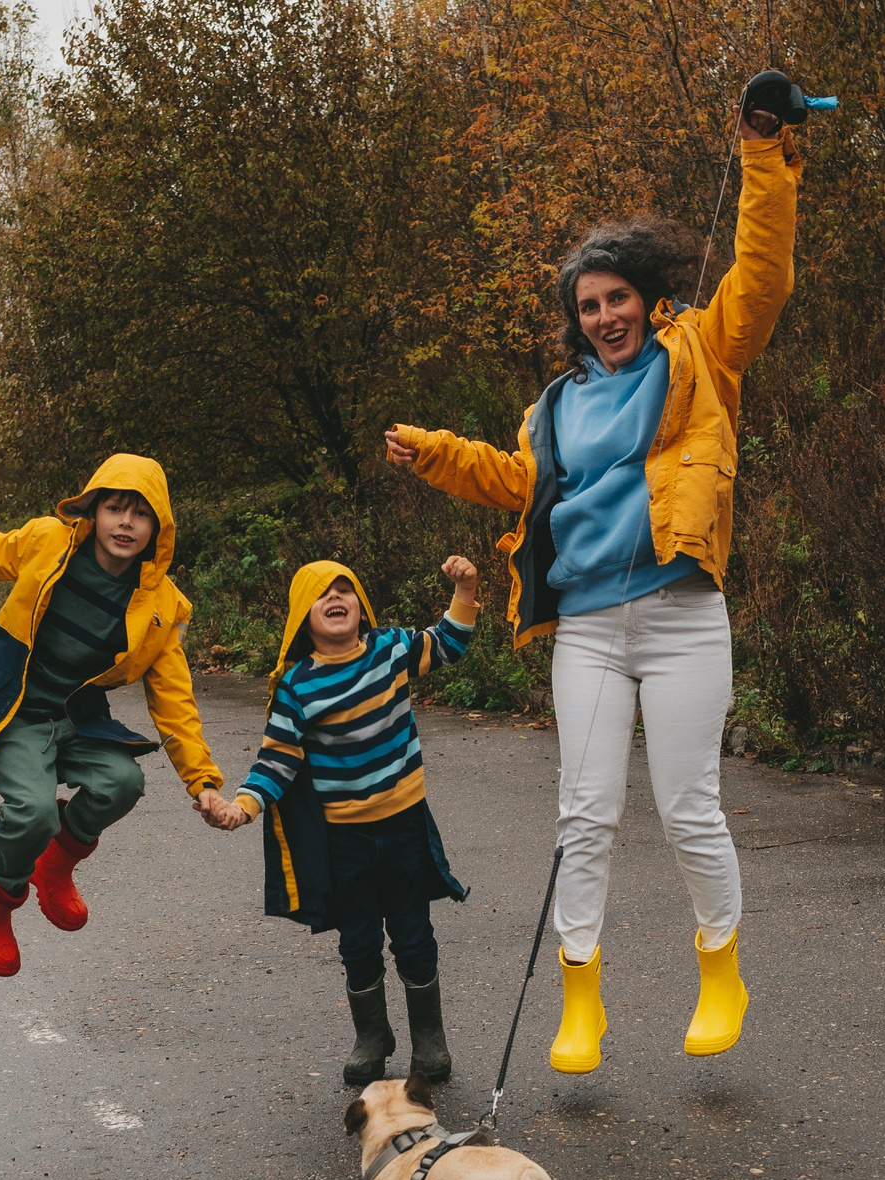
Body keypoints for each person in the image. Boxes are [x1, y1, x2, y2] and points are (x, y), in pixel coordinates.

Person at [381, 100, 800, 1075]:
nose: (604, 315)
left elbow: (765, 274)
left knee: (688, 803)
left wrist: (763, 155)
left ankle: (720, 968)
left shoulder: (702, 353)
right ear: (574, 322)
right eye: (587, 305)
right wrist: (433, 453)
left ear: (647, 297)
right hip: (591, 632)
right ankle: (581, 997)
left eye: (617, 297)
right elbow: (512, 481)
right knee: (584, 812)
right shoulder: (554, 407)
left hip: (683, 614)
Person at [0, 454, 237, 977]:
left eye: (140, 514)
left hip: (77, 719)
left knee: (122, 781)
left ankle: (55, 865)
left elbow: (175, 701)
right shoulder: (49, 542)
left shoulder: (162, 606)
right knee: (33, 812)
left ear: (158, 529)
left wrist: (204, 783)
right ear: (93, 511)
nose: (126, 523)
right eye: (115, 508)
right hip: (13, 711)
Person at [216, 556, 480, 1087]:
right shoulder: (296, 685)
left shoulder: (390, 650)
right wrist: (242, 805)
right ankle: (372, 1036)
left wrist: (467, 589)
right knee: (358, 938)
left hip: (404, 823)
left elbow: (449, 641)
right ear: (301, 617)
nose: (336, 598)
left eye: (346, 589)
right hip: (344, 836)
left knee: (412, 931)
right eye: (322, 594)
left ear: (361, 606)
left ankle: (430, 1037)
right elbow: (277, 759)